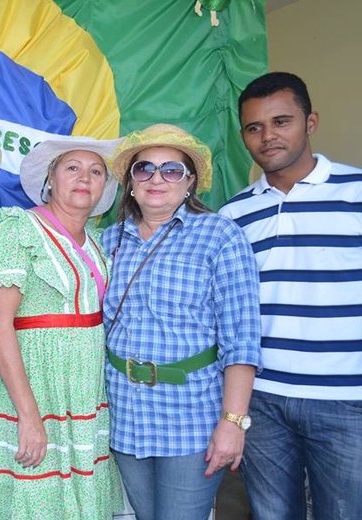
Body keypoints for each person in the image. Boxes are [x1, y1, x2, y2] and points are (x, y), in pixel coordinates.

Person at [219, 72, 362, 520]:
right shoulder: (233, 215)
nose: (268, 137)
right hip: (262, 402)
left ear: (310, 122)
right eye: (254, 127)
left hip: (346, 399)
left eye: (282, 121)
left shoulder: (356, 194)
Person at [102, 124, 261, 520]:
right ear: (130, 183)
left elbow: (242, 338)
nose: (157, 178)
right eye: (145, 169)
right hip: (122, 414)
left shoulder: (219, 235)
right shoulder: (107, 241)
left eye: (172, 170)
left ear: (190, 182)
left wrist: (233, 422)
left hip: (190, 417)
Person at [0, 138, 125, 519]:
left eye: (95, 171)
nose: (84, 178)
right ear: (50, 179)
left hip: (86, 391)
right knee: (36, 499)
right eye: (72, 168)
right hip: (38, 388)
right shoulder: (19, 229)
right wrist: (28, 414)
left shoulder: (99, 242)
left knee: (82, 499)